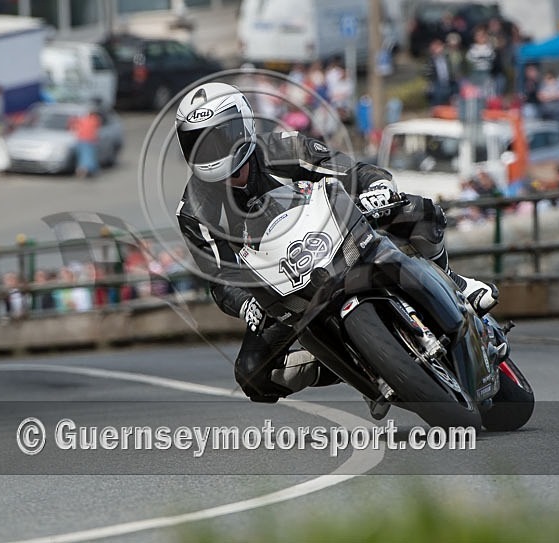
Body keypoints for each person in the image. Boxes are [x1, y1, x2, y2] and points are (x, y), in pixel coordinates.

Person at [174, 82, 499, 407]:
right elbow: (219, 275)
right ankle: (366, 365)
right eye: (200, 144)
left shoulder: (280, 147)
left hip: (338, 236)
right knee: (252, 373)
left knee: (420, 210)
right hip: (281, 290)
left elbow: (352, 171)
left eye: (220, 137)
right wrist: (246, 304)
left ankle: (452, 282)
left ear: (243, 125)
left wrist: (378, 188)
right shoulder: (193, 211)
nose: (213, 151)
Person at [424, 39, 456, 107]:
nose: (438, 49)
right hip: (436, 85)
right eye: (435, 48)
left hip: (448, 83)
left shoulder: (447, 59)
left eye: (439, 47)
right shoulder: (430, 60)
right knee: (437, 104)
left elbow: (451, 72)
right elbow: (427, 74)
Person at [70, 109, 100, 178]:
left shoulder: (83, 119)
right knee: (88, 157)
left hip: (83, 140)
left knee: (83, 157)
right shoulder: (95, 120)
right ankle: (87, 171)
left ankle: (83, 172)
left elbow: (73, 125)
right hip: (89, 141)